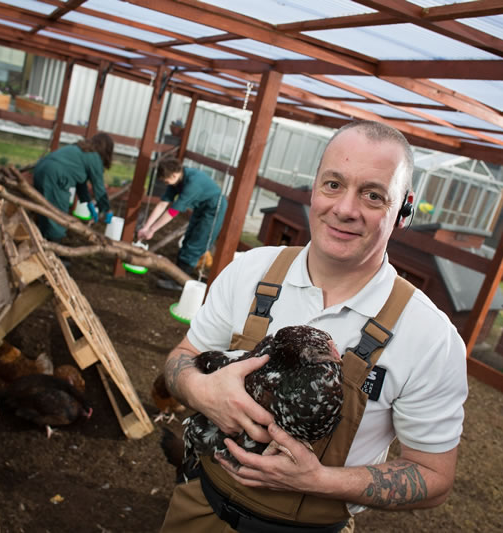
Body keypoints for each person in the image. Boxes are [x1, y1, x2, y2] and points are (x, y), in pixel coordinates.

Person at [159, 120, 469, 532]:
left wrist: (320, 481)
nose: (345, 209)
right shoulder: (250, 270)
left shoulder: (431, 338)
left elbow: (434, 478)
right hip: (200, 507)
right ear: (314, 187)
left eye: (373, 195)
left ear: (404, 210)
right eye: (333, 184)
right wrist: (202, 390)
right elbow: (181, 359)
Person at [137, 158, 227, 287]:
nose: (166, 183)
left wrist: (152, 230)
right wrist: (146, 227)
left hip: (213, 210)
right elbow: (162, 204)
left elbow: (173, 212)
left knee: (195, 244)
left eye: (166, 181)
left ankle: (179, 283)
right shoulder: (176, 181)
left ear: (174, 175)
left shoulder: (193, 183)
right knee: (187, 240)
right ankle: (175, 273)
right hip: (200, 207)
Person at [32, 132, 114, 242]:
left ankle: (41, 244)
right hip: (55, 176)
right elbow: (99, 187)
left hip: (41, 169)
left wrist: (88, 202)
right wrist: (106, 210)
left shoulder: (80, 149)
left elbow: (80, 181)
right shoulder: (95, 158)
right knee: (58, 217)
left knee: (45, 213)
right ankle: (53, 249)